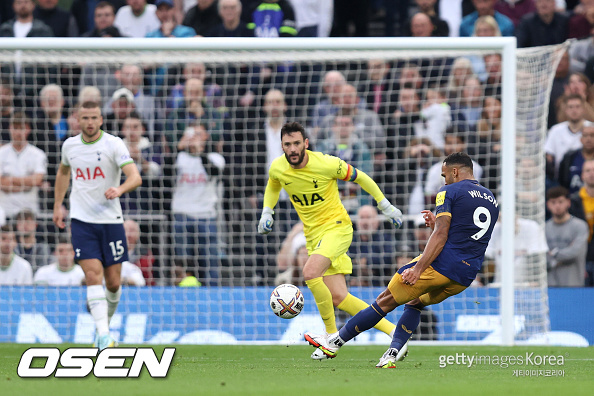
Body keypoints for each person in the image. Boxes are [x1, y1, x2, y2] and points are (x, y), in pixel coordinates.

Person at [304, 152, 499, 368]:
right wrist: (435, 224)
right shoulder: (491, 199)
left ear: (455, 171)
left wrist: (418, 268)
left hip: (441, 265)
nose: (444, 180)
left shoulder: (449, 191)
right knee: (415, 302)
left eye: (445, 176)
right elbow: (465, 236)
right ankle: (393, 351)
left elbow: (442, 235)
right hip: (465, 275)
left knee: (385, 299)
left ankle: (334, 342)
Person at [257, 121, 403, 360]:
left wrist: (384, 204)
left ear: (305, 143)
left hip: (338, 228)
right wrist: (267, 211)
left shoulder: (326, 163)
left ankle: (330, 336)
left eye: (296, 143)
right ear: (282, 146)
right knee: (340, 298)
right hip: (314, 236)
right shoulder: (278, 168)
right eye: (287, 145)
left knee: (310, 272)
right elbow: (273, 185)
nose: (292, 149)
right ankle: (394, 332)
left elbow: (360, 177)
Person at [52, 100, 142, 350]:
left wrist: (120, 189)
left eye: (94, 118)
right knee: (92, 275)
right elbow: (63, 172)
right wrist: (58, 204)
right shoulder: (69, 146)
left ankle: (103, 326)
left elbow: (135, 177)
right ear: (78, 120)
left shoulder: (113, 144)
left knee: (113, 284)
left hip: (110, 221)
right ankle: (104, 336)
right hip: (82, 221)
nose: (89, 122)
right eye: (85, 118)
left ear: (101, 120)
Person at [0, 112, 47, 218]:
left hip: (29, 211)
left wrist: (9, 180)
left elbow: (37, 180)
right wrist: (26, 184)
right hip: (4, 211)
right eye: (15, 128)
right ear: (9, 129)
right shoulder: (1, 153)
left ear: (28, 129)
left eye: (21, 128)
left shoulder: (38, 154)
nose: (18, 132)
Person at [545, 186, 588, 287]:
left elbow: (575, 252)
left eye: (560, 202)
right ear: (548, 205)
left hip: (574, 286)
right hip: (550, 286)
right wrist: (564, 254)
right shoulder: (544, 228)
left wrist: (554, 254)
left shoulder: (580, 226)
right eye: (553, 202)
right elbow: (542, 257)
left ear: (568, 203)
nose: (557, 206)